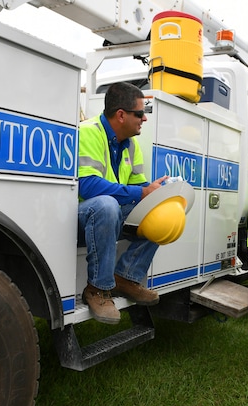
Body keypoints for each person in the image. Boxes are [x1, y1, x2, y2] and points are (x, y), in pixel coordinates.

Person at [78, 82, 168, 324]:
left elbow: (139, 189)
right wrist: (141, 192)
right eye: (140, 113)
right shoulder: (88, 132)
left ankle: (126, 278)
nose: (144, 119)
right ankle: (97, 288)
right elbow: (86, 186)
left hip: (111, 214)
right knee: (106, 205)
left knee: (161, 208)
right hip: (83, 215)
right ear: (121, 115)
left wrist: (155, 192)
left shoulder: (130, 144)